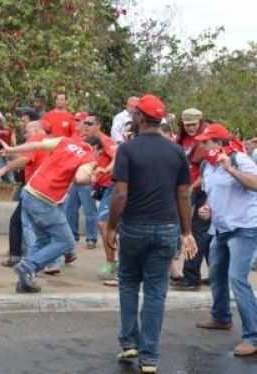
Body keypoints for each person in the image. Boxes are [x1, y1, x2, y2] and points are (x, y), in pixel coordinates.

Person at [105, 94, 197, 373]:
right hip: (167, 229)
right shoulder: (176, 151)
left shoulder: (128, 150)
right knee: (156, 293)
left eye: (135, 113)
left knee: (129, 284)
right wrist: (187, 232)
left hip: (134, 228)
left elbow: (120, 194)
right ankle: (149, 357)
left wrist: (110, 226)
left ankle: (128, 343)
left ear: (141, 117)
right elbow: (183, 196)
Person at [0, 134, 95, 293]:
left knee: (42, 241)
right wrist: (92, 176)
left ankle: (25, 283)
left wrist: (10, 149)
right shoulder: (89, 158)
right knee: (66, 241)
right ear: (96, 148)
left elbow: (36, 145)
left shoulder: (64, 141)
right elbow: (80, 177)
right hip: (44, 200)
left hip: (29, 193)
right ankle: (27, 266)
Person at [192, 124, 257, 357]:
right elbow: (212, 194)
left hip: (244, 228)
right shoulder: (206, 165)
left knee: (237, 279)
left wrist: (231, 170)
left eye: (205, 142)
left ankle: (253, 336)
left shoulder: (240, 159)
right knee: (217, 274)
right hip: (219, 229)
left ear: (219, 144)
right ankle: (221, 317)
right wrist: (206, 208)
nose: (201, 146)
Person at [0, 121, 48, 267]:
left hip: (35, 189)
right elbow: (27, 159)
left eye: (27, 131)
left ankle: (22, 257)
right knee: (44, 224)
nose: (25, 134)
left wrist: (4, 169)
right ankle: (56, 256)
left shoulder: (35, 140)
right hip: (47, 189)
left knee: (19, 222)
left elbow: (25, 159)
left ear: (36, 130)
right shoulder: (48, 141)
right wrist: (9, 153)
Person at [170, 108, 212, 291]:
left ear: (200, 121)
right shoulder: (181, 138)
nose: (190, 128)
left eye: (194, 124)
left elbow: (210, 171)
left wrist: (191, 187)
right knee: (206, 235)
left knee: (196, 233)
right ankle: (218, 275)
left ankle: (191, 278)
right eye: (187, 125)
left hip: (203, 191)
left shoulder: (208, 137)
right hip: (186, 189)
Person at [84, 114, 119, 281]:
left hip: (111, 186)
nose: (86, 126)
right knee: (106, 225)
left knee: (102, 223)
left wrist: (106, 170)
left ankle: (112, 263)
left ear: (98, 125)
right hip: (101, 188)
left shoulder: (104, 140)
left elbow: (116, 157)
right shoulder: (87, 139)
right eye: (84, 123)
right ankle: (115, 261)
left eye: (89, 123)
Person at [64, 112, 98, 252]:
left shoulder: (91, 138)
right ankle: (72, 235)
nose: (76, 123)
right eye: (75, 120)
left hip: (85, 178)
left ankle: (91, 237)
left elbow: (99, 156)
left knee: (89, 210)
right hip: (74, 178)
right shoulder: (73, 137)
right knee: (70, 208)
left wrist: (96, 172)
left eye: (79, 120)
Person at [0, 119, 16, 184]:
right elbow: (13, 142)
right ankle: (11, 180)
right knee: (9, 165)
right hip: (7, 150)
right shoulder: (10, 130)